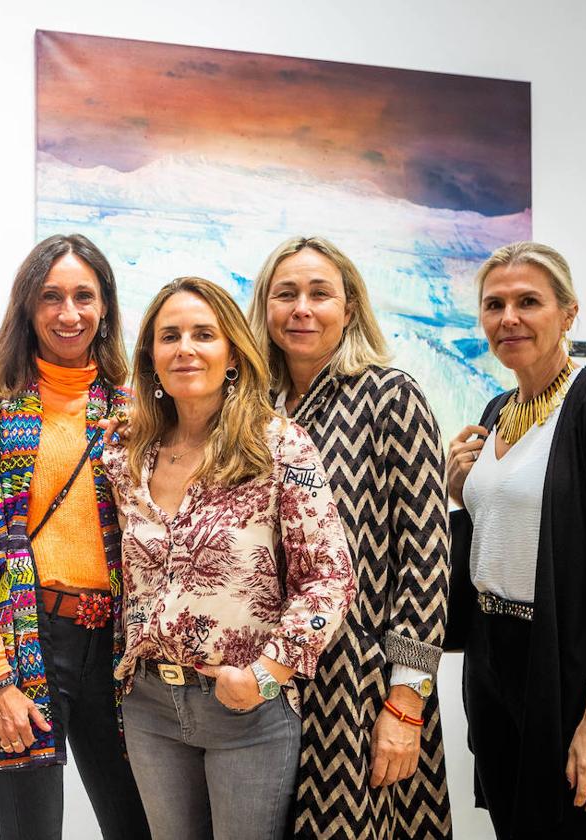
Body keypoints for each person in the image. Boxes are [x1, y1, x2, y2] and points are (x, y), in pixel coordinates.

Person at [102, 276, 355, 840]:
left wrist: (268, 674)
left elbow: (330, 577)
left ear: (233, 354)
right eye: (170, 336)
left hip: (245, 708)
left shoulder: (279, 444)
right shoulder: (124, 452)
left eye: (203, 334)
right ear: (151, 359)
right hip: (148, 705)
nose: (185, 348)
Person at [0, 234, 150, 840]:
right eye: (51, 297)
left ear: (106, 308)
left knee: (140, 825)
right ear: (27, 307)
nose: (68, 313)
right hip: (26, 640)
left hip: (120, 649)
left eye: (83, 296)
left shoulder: (138, 414)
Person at [446, 241, 586, 839]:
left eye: (528, 302)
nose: (508, 318)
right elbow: (496, 535)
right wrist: (462, 493)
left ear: (567, 313)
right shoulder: (496, 410)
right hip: (495, 657)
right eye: (494, 305)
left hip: (568, 662)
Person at [247, 235, 451, 839]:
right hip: (259, 677)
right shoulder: (250, 407)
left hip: (357, 686)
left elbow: (427, 560)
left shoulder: (391, 396)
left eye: (319, 293)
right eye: (286, 294)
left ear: (350, 308)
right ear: (265, 307)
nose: (301, 308)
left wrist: (405, 703)